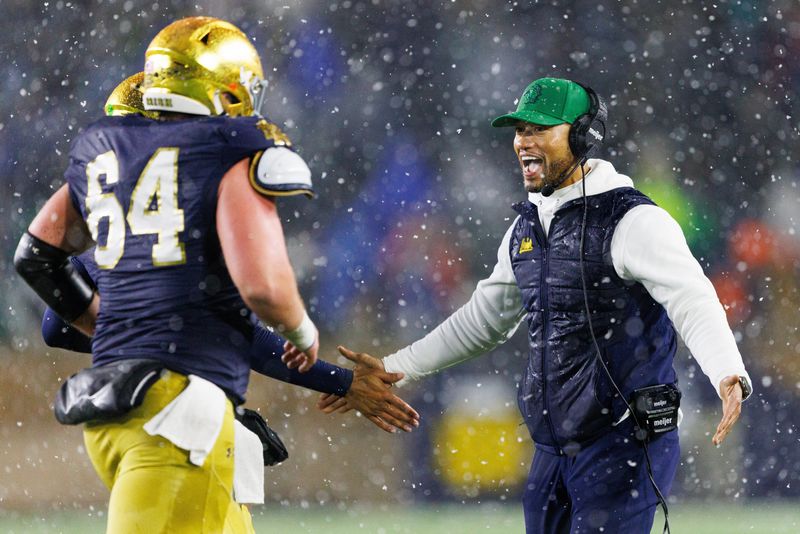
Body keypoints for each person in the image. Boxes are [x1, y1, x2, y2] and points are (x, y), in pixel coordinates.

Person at [13, 17, 411, 534]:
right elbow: (258, 297)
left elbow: (41, 270)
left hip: (142, 413)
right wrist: (307, 344)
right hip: (178, 418)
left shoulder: (114, 173)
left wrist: (143, 340)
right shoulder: (219, 158)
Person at [317, 77, 753, 533]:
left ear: (583, 135)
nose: (524, 141)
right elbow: (483, 320)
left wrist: (727, 370)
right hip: (554, 448)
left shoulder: (634, 221)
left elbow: (691, 297)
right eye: (520, 130)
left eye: (540, 129)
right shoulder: (527, 226)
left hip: (624, 439)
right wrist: (394, 368)